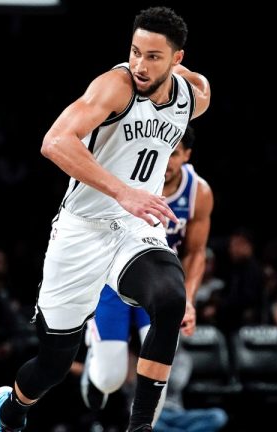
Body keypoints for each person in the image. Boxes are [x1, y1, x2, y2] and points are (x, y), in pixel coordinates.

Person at [0, 6, 211, 432]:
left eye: (153, 56)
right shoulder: (116, 86)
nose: (140, 65)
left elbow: (195, 94)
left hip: (133, 227)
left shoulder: (194, 95)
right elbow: (54, 142)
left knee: (169, 299)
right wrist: (123, 191)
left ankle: (140, 426)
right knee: (53, 364)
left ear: (177, 60)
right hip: (82, 229)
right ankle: (11, 409)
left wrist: (131, 201)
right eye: (135, 51)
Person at [80, 125, 214, 419]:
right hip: (113, 282)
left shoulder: (198, 192)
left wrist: (188, 299)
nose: (166, 162)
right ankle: (94, 365)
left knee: (158, 370)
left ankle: (143, 426)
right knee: (109, 379)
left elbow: (195, 252)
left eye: (174, 154)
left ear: (187, 155)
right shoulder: (124, 177)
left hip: (160, 286)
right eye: (162, 152)